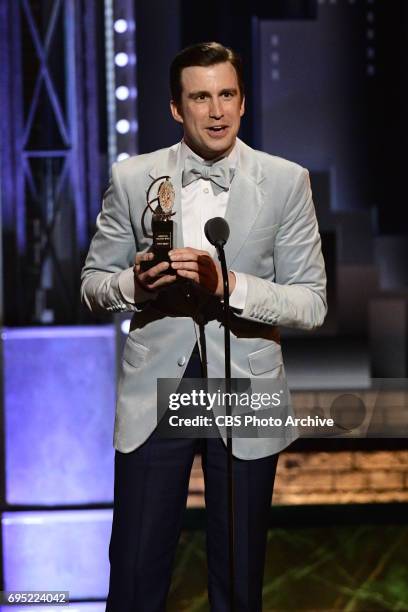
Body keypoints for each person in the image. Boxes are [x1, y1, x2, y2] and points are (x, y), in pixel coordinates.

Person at [81, 41, 327, 612]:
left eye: (227, 95)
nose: (215, 111)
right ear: (175, 107)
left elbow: (311, 303)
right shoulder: (132, 177)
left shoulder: (286, 182)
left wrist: (229, 285)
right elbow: (94, 285)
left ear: (242, 103)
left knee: (239, 579)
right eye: (200, 97)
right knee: (137, 573)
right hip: (155, 390)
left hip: (247, 383)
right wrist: (132, 287)